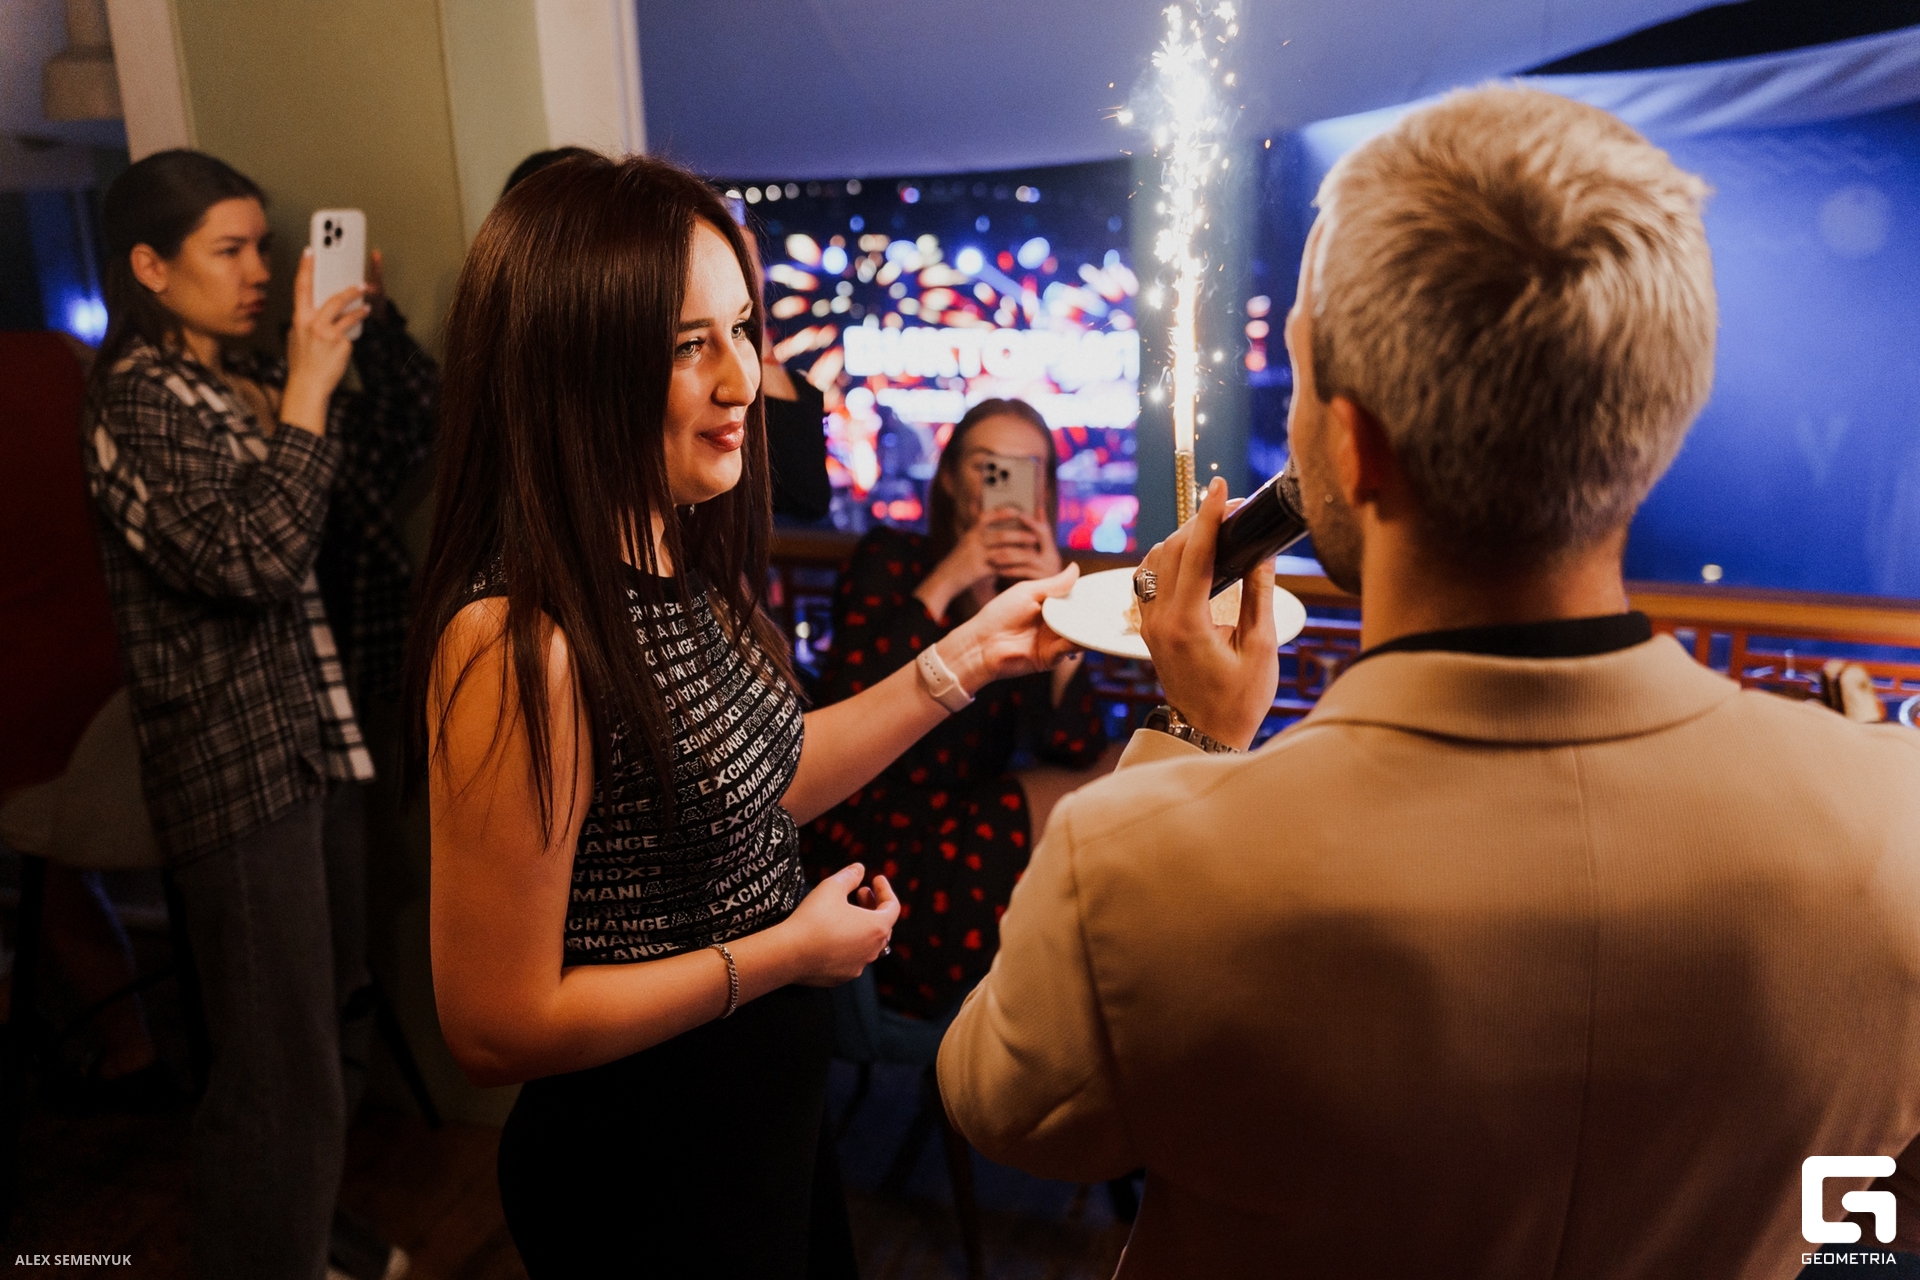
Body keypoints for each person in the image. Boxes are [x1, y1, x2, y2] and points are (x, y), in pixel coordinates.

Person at [937, 85, 1920, 1278]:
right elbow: (1893, 1204)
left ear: (1351, 445)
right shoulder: (1894, 828)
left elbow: (999, 1100)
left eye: (1299, 378)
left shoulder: (1142, 862)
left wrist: (1185, 739)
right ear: (1658, 422)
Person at [404, 152, 1078, 1278]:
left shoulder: (682, 564)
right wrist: (784, 954)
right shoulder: (519, 639)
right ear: (576, 366)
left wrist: (972, 654)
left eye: (742, 329)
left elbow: (770, 774)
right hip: (648, 1166)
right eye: (688, 344)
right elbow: (494, 1022)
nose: (742, 379)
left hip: (764, 1124)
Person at [83, 149, 435, 1280]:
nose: (257, 272)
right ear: (150, 267)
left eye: (262, 247)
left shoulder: (239, 375)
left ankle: (309, 1230)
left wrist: (354, 338)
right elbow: (252, 560)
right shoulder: (137, 398)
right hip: (232, 767)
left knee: (334, 1017)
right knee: (273, 1056)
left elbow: (395, 448)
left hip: (314, 737)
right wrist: (308, 392)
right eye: (227, 250)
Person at [801, 397, 1109, 1019]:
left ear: (1046, 490)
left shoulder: (1034, 594)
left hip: (969, 827)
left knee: (1122, 770)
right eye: (988, 466)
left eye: (1027, 470)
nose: (1006, 484)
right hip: (873, 840)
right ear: (948, 478)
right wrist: (948, 580)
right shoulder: (891, 557)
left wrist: (1064, 611)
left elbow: (1075, 746)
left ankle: (1084, 1004)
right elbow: (847, 702)